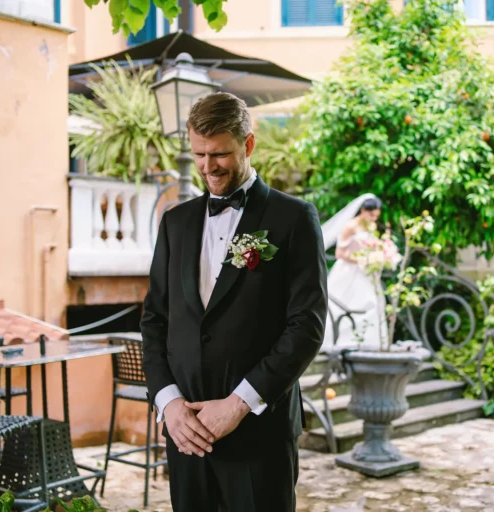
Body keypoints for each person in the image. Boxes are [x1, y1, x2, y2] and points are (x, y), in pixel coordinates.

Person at [140, 92, 328, 511]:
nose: (207, 167)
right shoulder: (175, 223)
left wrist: (239, 403)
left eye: (219, 154)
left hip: (258, 435)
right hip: (186, 433)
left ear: (248, 145)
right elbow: (155, 320)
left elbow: (307, 326)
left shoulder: (293, 218)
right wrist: (169, 404)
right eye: (199, 154)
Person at [322, 197, 393, 352]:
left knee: (372, 303)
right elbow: (339, 253)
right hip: (349, 271)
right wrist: (362, 259)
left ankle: (370, 343)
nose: (374, 218)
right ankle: (341, 341)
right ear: (363, 211)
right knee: (348, 303)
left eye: (376, 215)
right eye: (371, 215)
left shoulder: (371, 226)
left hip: (366, 273)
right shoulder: (350, 226)